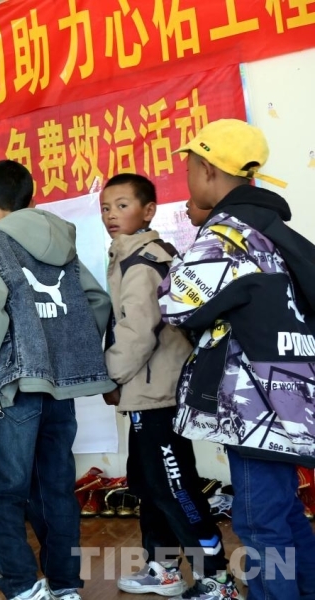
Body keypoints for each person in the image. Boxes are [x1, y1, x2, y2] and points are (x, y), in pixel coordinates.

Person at [160, 118, 315, 600]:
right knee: (284, 515)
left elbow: (176, 304)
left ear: (208, 169)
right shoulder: (274, 229)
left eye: (190, 166)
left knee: (260, 524)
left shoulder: (228, 234)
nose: (188, 176)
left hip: (255, 406)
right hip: (291, 396)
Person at [0, 160, 114, 600]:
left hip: (14, 388)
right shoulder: (63, 243)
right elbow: (97, 301)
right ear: (29, 197)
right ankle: (64, 586)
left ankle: (23, 586)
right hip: (60, 391)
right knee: (55, 490)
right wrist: (66, 350)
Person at [99, 174, 233, 598]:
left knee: (174, 486)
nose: (111, 215)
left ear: (149, 211)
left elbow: (138, 331)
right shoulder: (130, 255)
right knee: (149, 484)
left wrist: (110, 375)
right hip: (146, 391)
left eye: (122, 205)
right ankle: (164, 566)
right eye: (105, 208)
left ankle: (217, 577)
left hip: (157, 393)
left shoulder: (143, 262)